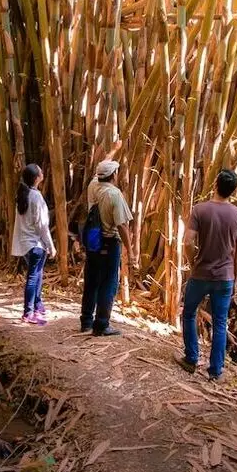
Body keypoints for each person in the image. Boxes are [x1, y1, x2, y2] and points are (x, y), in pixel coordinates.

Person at [179, 169, 237, 380]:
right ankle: (215, 371)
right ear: (233, 190)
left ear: (215, 184)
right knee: (220, 323)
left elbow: (188, 242)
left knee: (189, 313)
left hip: (200, 274)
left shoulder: (200, 210)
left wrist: (193, 263)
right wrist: (234, 276)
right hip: (225, 277)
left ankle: (191, 358)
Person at [80, 143, 138, 336]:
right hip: (109, 242)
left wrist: (113, 149)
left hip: (93, 241)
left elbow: (102, 165)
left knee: (91, 281)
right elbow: (122, 226)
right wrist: (131, 252)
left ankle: (86, 321)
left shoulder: (93, 186)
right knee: (108, 283)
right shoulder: (114, 194)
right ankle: (102, 325)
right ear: (113, 175)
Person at [11, 164, 56, 325]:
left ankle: (38, 305)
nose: (43, 172)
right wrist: (50, 245)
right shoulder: (35, 196)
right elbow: (42, 225)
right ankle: (28, 312)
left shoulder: (23, 194)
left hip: (25, 243)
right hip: (36, 244)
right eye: (41, 171)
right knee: (33, 277)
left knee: (37, 275)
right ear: (37, 178)